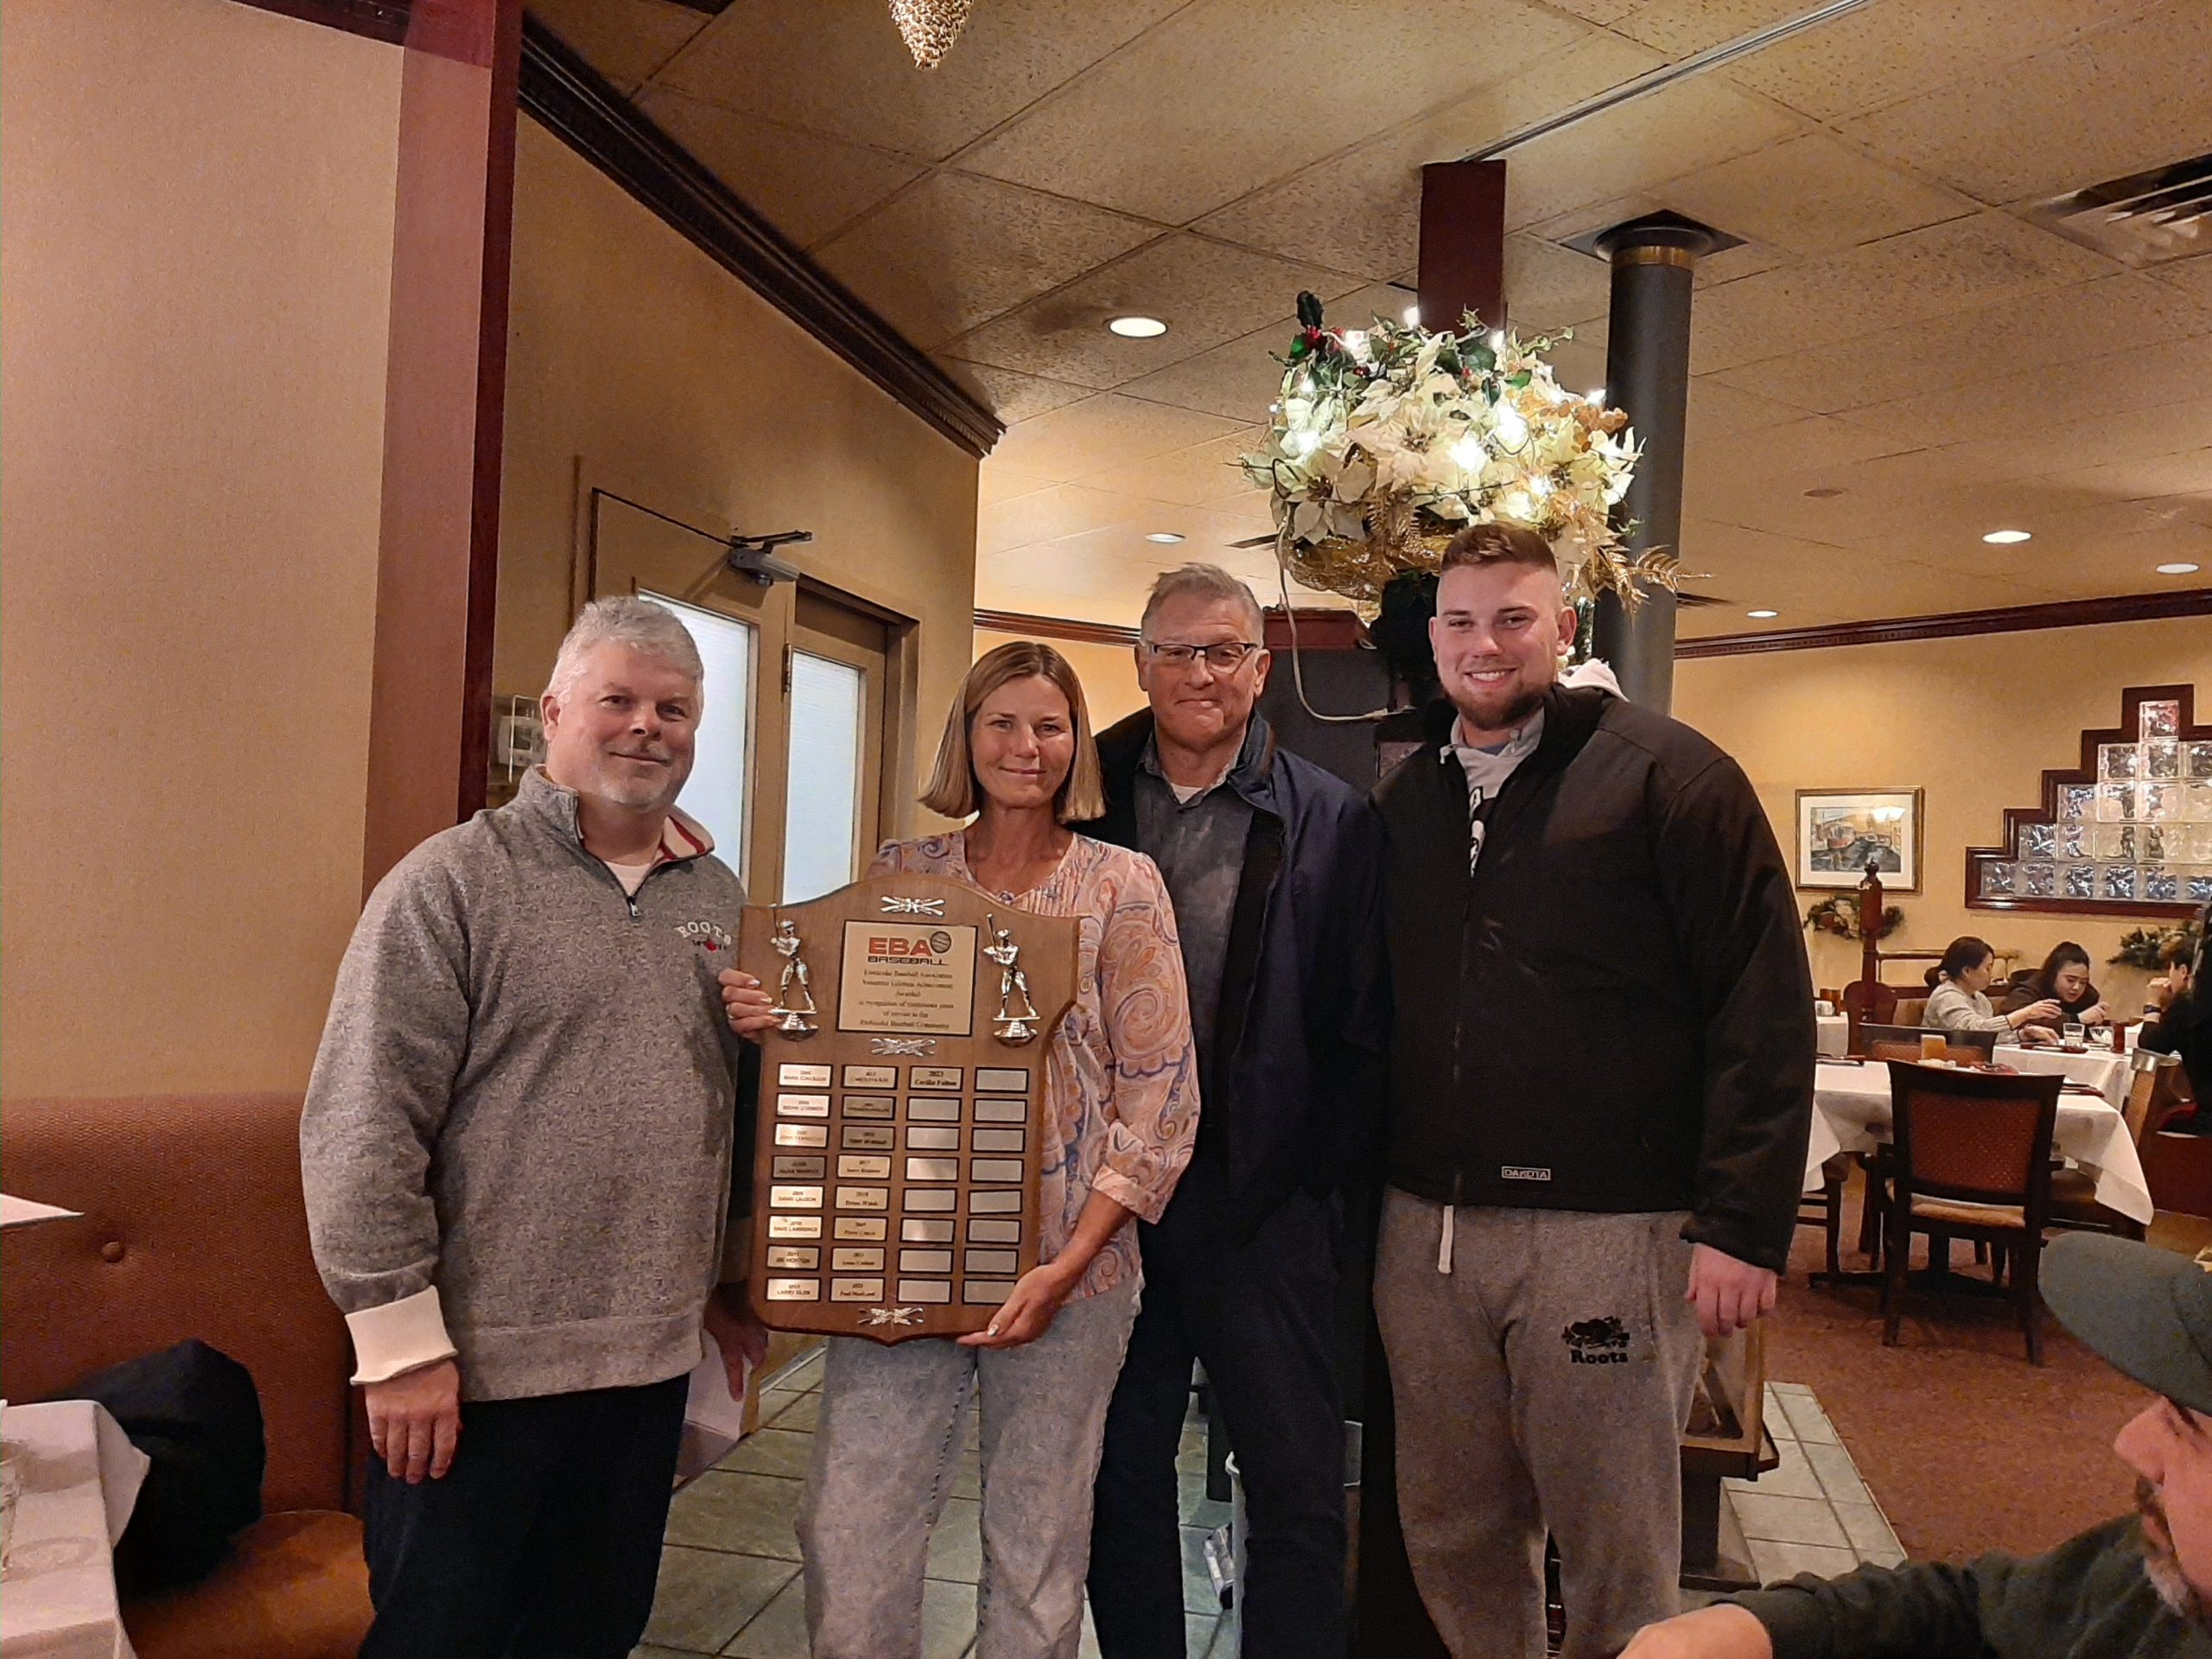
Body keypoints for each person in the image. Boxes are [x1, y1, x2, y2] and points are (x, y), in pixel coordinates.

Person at [1370, 522, 1816, 1658]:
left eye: (1514, 618)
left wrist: (1743, 1225)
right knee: (1455, 1534)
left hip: (1611, 1232)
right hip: (1429, 1230)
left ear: (1564, 628)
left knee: (1616, 1545)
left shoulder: (1671, 776)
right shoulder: (1406, 794)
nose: (1487, 644)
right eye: (1463, 621)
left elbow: (1762, 1005)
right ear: (1434, 640)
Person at [299, 596, 771, 1658]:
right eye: (618, 701)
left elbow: (724, 1114)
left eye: (675, 709)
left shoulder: (720, 899)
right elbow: (363, 1122)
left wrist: (734, 1283)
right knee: (444, 1640)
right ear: (556, 710)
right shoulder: (452, 883)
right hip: (474, 1372)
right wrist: (401, 1348)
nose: (647, 727)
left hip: (647, 1361)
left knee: (594, 1633)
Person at [796, 640, 1200, 1659]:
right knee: (852, 1532)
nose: (1028, 747)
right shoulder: (903, 872)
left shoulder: (1123, 883)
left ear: (1077, 742)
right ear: (966, 739)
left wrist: (1066, 1269)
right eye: (1003, 723)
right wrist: (777, 1008)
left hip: (1071, 1269)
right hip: (907, 1252)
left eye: (1051, 725)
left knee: (1038, 1549)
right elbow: (851, 1047)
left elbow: (1161, 1095)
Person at [1082, 565, 1389, 1659]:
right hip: (1111, 1212)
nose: (1198, 673)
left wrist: (1311, 1181)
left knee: (1299, 1488)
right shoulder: (1082, 790)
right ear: (1140, 663)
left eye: (1222, 652)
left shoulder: (1331, 818)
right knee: (1115, 1476)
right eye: (1175, 651)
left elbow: (1361, 1028)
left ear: (1260, 671)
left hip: (1266, 1211)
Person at [1621, 1229, 2212, 1656]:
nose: (2132, 1443)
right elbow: (1978, 1609)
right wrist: (1765, 1628)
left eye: (2187, 1424)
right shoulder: (2159, 1576)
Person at [1924, 935, 2061, 1043]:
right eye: (1987, 968)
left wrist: (2023, 1034)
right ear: (1967, 971)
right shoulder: (1946, 996)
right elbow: (1972, 1032)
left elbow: (1986, 1039)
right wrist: (2025, 1013)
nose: (1991, 974)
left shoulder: (1980, 998)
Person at [2141, 929, 2212, 1114]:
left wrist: (2153, 1006)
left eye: (2170, 968)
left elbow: (2150, 1050)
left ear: (2183, 971)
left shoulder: (2188, 1004)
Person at [2002, 940, 2113, 1033]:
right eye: (2070, 980)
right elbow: (2016, 1021)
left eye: (2083, 982)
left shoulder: (2089, 996)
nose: (2076, 987)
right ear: (2053, 975)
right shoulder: (2027, 990)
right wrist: (2075, 1020)